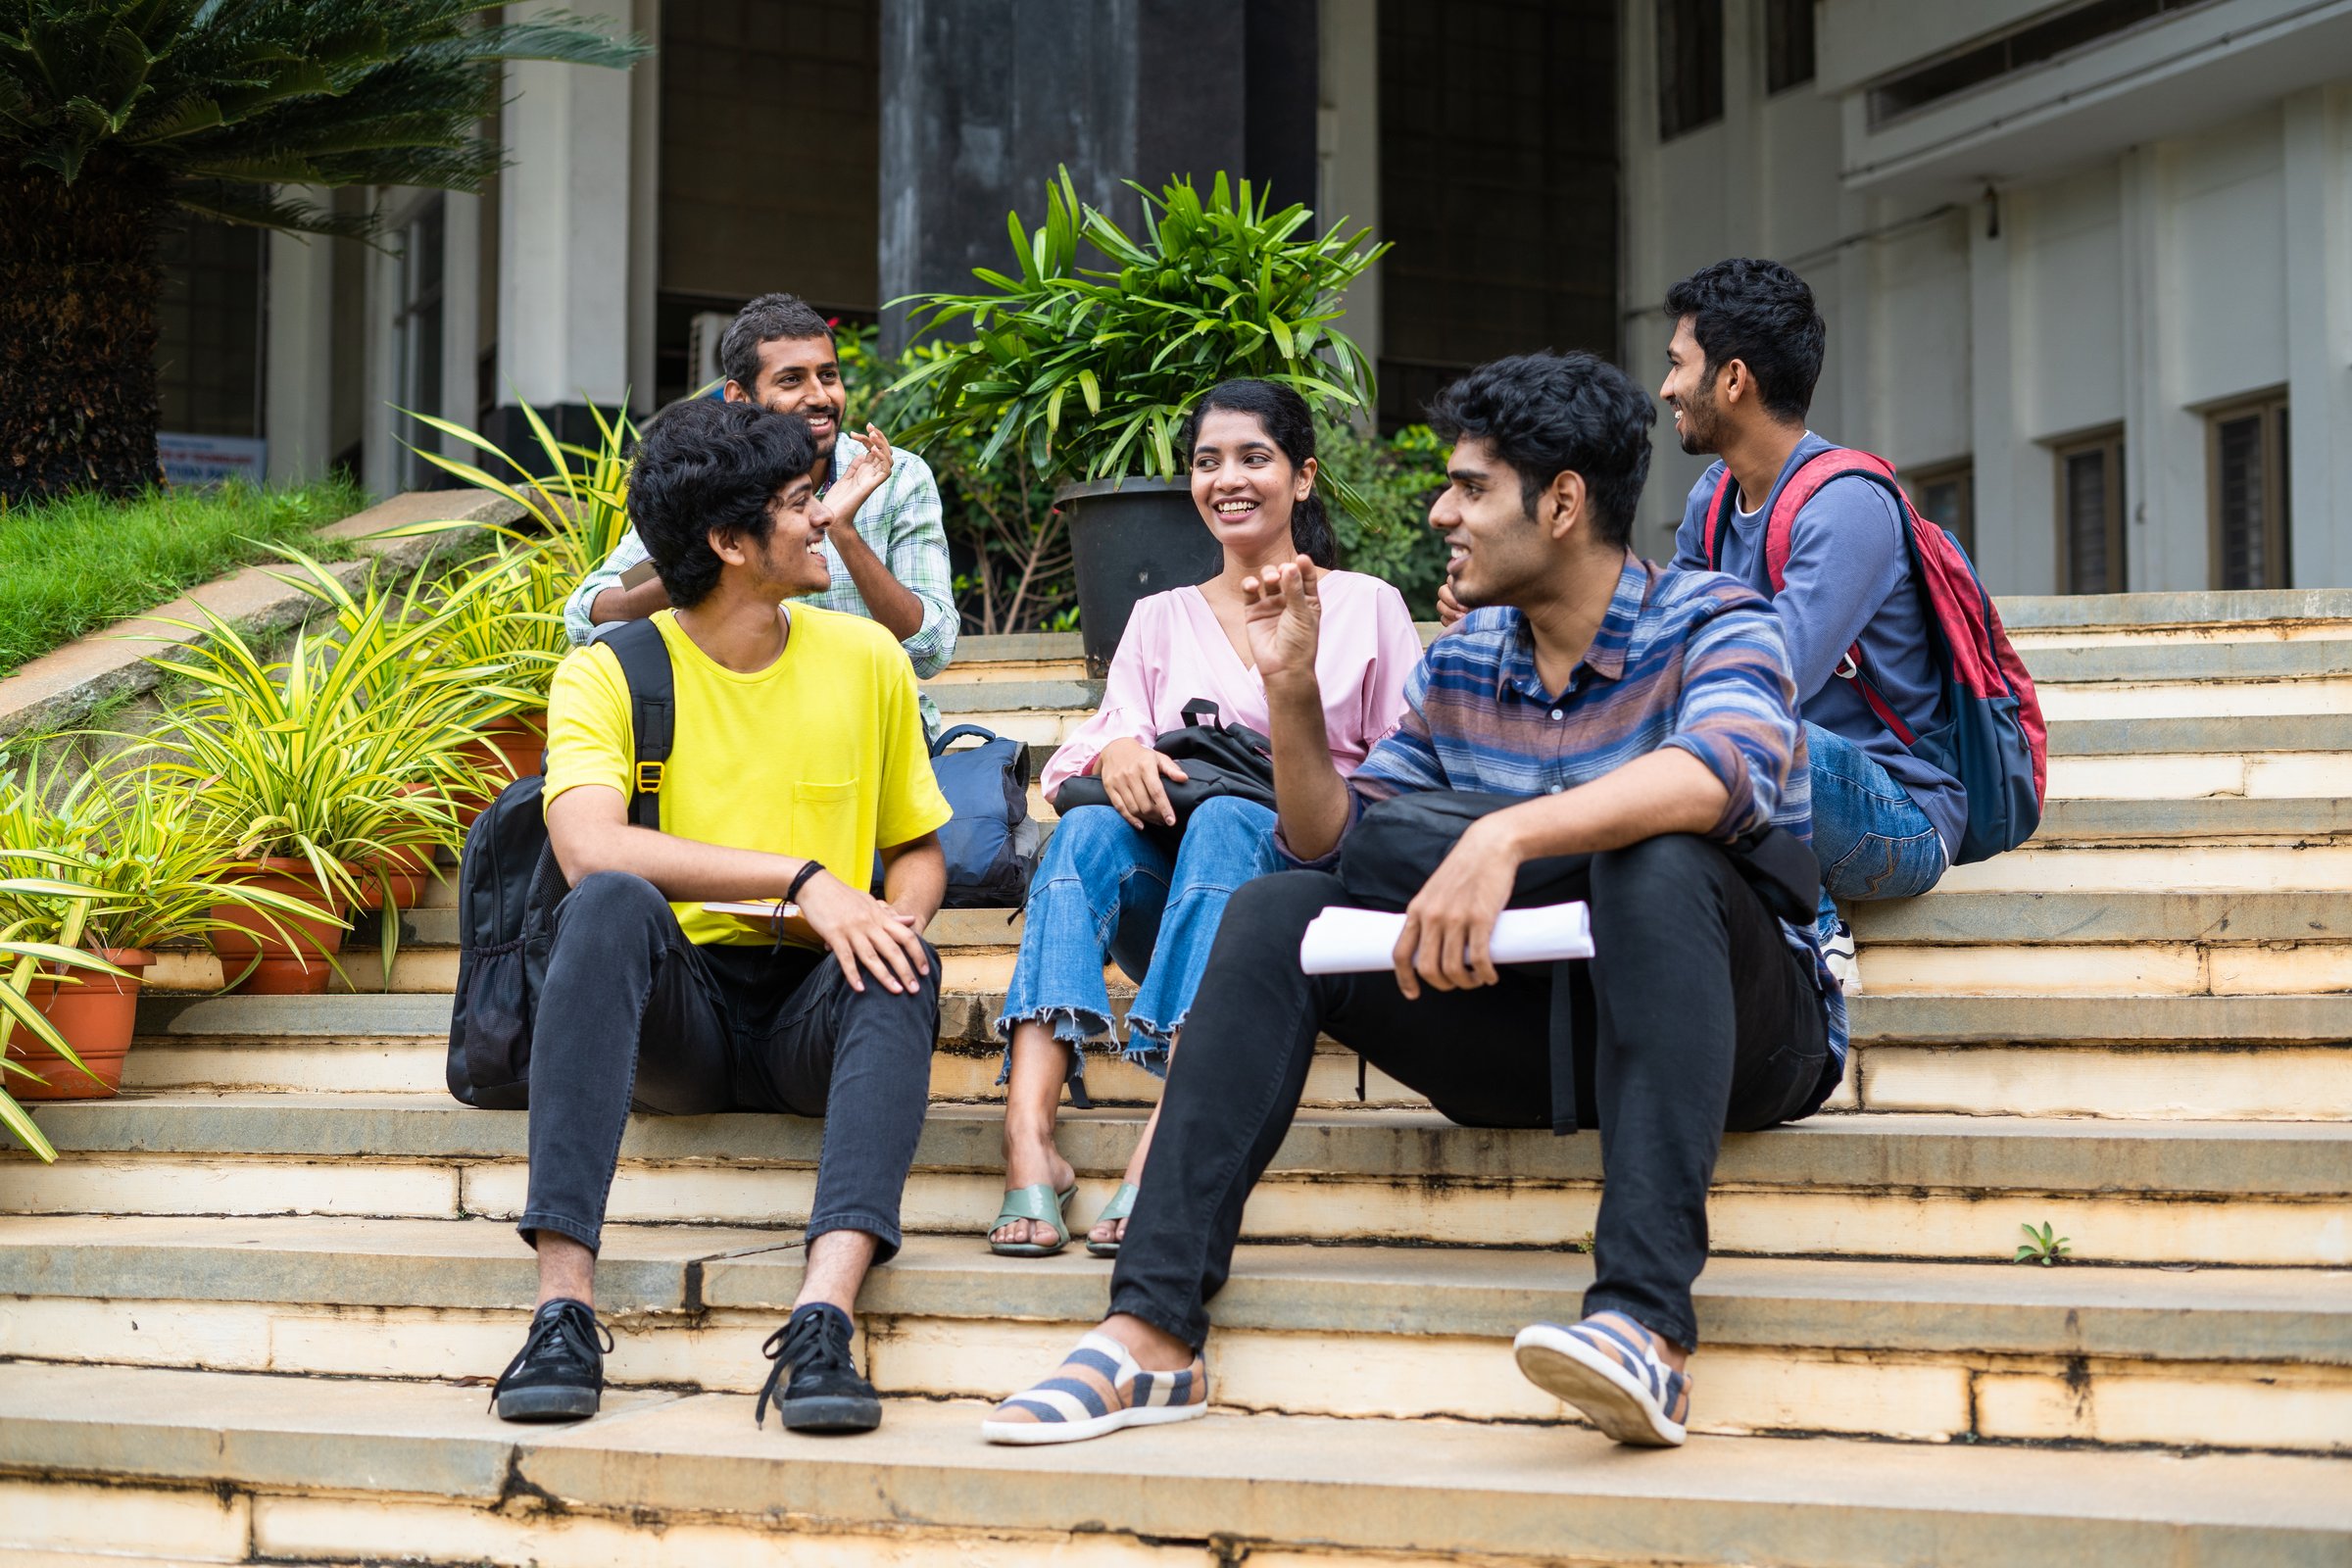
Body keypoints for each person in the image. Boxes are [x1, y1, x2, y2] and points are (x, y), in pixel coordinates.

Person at [985, 351, 1841, 1450]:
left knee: (1659, 856)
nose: (1442, 512)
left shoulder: (1716, 618)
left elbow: (1720, 771)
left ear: (1565, 503)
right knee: (1278, 908)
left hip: (1741, 1041)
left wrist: (1509, 833)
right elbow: (1334, 840)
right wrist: (1290, 692)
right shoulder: (1466, 659)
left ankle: (1643, 1322)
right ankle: (1151, 1331)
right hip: (1522, 1025)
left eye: (1471, 488)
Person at [491, 397, 952, 1435]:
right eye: (802, 504)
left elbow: (917, 849)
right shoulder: (608, 670)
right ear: (730, 542)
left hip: (814, 1013)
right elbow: (589, 846)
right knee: (605, 902)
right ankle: (561, 1309)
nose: (828, 517)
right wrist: (800, 879)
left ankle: (822, 1320)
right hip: (678, 1015)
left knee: (902, 960)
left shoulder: (867, 659)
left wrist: (891, 921)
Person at [988, 379, 1423, 1259]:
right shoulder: (1158, 618)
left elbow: (1410, 774)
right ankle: (1028, 1140)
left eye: (1253, 458)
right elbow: (1083, 758)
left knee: (1228, 817)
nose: (1227, 478)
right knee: (1080, 833)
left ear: (1302, 478)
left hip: (1299, 907)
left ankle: (1164, 1142)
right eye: (1207, 460)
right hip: (1174, 905)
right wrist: (1114, 754)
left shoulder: (1367, 606)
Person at [1659, 258, 1963, 990]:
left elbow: (1768, 682)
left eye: (1678, 364)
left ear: (1733, 380)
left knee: (1742, 722)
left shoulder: (1847, 505)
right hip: (1770, 782)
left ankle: (1814, 925)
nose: (1666, 387)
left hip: (1896, 810)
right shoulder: (1713, 498)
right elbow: (1659, 643)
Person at [564, 291, 957, 737]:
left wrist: (842, 529)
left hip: (871, 728)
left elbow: (932, 649)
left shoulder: (898, 477)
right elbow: (589, 613)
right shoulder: (711, 481)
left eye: (828, 375)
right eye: (791, 380)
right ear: (739, 396)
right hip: (738, 729)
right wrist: (702, 555)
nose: (819, 396)